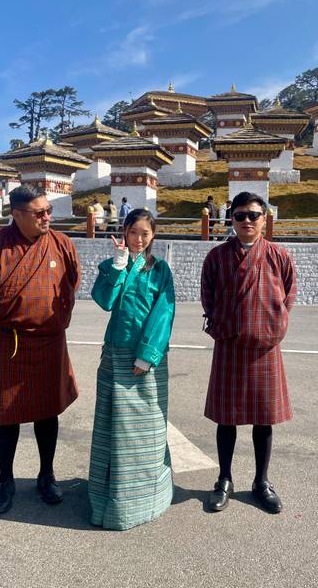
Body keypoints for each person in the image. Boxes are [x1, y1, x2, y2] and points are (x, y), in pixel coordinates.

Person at [0, 185, 80, 514]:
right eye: (39, 213)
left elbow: (73, 281)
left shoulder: (60, 243)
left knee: (47, 412)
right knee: (6, 415)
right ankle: (5, 481)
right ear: (16, 215)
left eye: (48, 211)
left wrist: (58, 317)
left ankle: (46, 475)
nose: (46, 218)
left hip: (50, 341)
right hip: (8, 343)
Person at [201, 191, 296, 514]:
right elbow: (208, 297)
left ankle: (261, 481)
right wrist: (222, 326)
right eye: (239, 215)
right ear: (231, 219)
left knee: (263, 419)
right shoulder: (216, 257)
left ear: (264, 219)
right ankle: (224, 479)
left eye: (253, 215)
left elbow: (289, 295)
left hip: (265, 348)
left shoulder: (279, 256)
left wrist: (274, 327)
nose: (246, 221)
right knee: (226, 420)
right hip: (229, 345)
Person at [88, 208, 175, 530]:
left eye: (145, 234)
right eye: (134, 232)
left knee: (145, 431)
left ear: (153, 237)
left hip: (144, 360)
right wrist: (118, 265)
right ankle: (106, 496)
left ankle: (144, 499)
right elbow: (105, 301)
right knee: (112, 428)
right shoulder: (116, 266)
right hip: (114, 355)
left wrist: (147, 355)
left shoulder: (160, 270)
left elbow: (164, 312)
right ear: (124, 232)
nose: (139, 239)